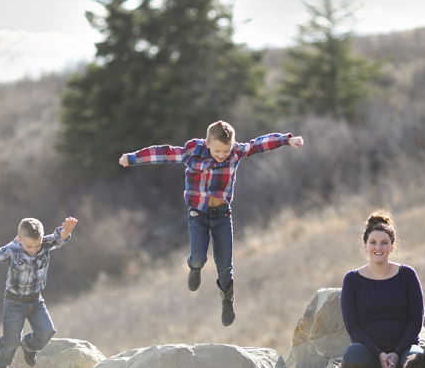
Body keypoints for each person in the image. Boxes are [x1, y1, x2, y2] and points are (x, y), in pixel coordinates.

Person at [119, 120, 304, 326]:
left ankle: (227, 299)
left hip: (223, 216)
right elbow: (164, 153)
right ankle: (194, 268)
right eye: (217, 151)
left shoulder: (235, 152)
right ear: (207, 143)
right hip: (198, 215)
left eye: (226, 151)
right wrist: (132, 158)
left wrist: (287, 140)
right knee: (199, 259)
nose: (222, 155)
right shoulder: (192, 152)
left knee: (225, 266)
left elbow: (259, 144)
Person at [339, 210, 425, 368]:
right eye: (373, 242)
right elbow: (354, 327)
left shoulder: (407, 275)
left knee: (418, 358)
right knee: (352, 353)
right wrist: (380, 354)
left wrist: (396, 354)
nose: (378, 248)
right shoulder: (352, 280)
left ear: (392, 246)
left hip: (403, 349)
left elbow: (416, 321)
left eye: (384, 243)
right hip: (370, 353)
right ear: (365, 245)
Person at [0, 215, 78, 368]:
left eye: (37, 245)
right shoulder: (13, 249)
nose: (34, 249)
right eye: (29, 246)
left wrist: (66, 230)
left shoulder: (43, 245)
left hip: (36, 301)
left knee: (47, 331)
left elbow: (58, 239)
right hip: (14, 302)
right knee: (11, 342)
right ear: (19, 239)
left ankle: (30, 347)